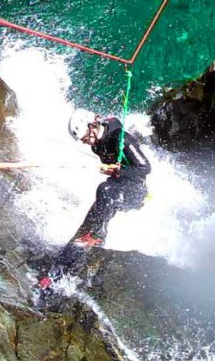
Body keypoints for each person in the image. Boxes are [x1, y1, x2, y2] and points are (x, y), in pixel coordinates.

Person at [38, 109, 151, 290]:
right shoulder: (96, 145)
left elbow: (145, 168)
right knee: (86, 223)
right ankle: (53, 274)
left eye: (84, 138)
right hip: (115, 190)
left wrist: (118, 171)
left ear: (92, 127)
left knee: (104, 190)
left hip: (134, 191)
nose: (85, 143)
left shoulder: (122, 139)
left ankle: (98, 236)